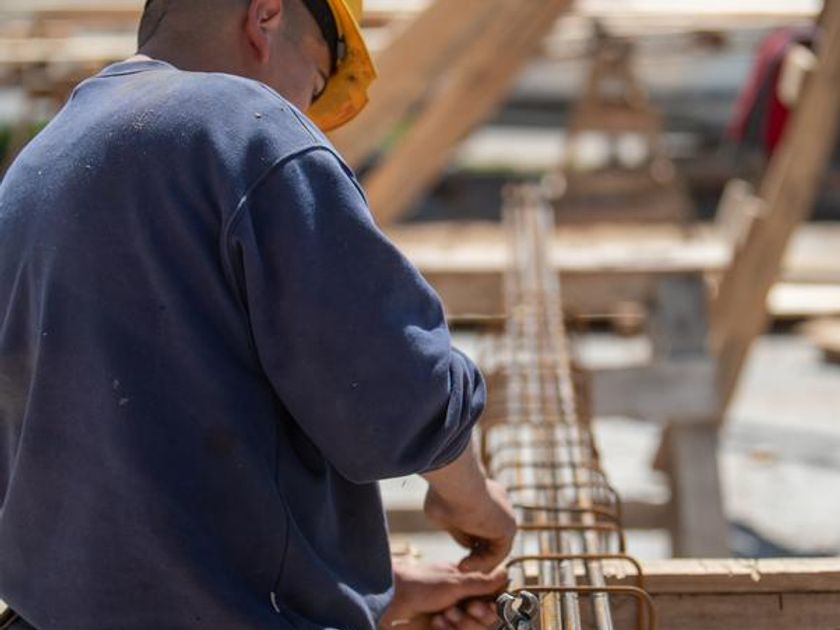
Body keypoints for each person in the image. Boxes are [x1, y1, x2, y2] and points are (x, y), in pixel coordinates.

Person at [0, 0, 517, 629]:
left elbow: (129, 448)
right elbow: (391, 390)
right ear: (265, 17)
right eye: (316, 83)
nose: (307, 114)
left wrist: (360, 589)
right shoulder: (246, 127)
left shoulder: (37, 165)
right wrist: (472, 498)